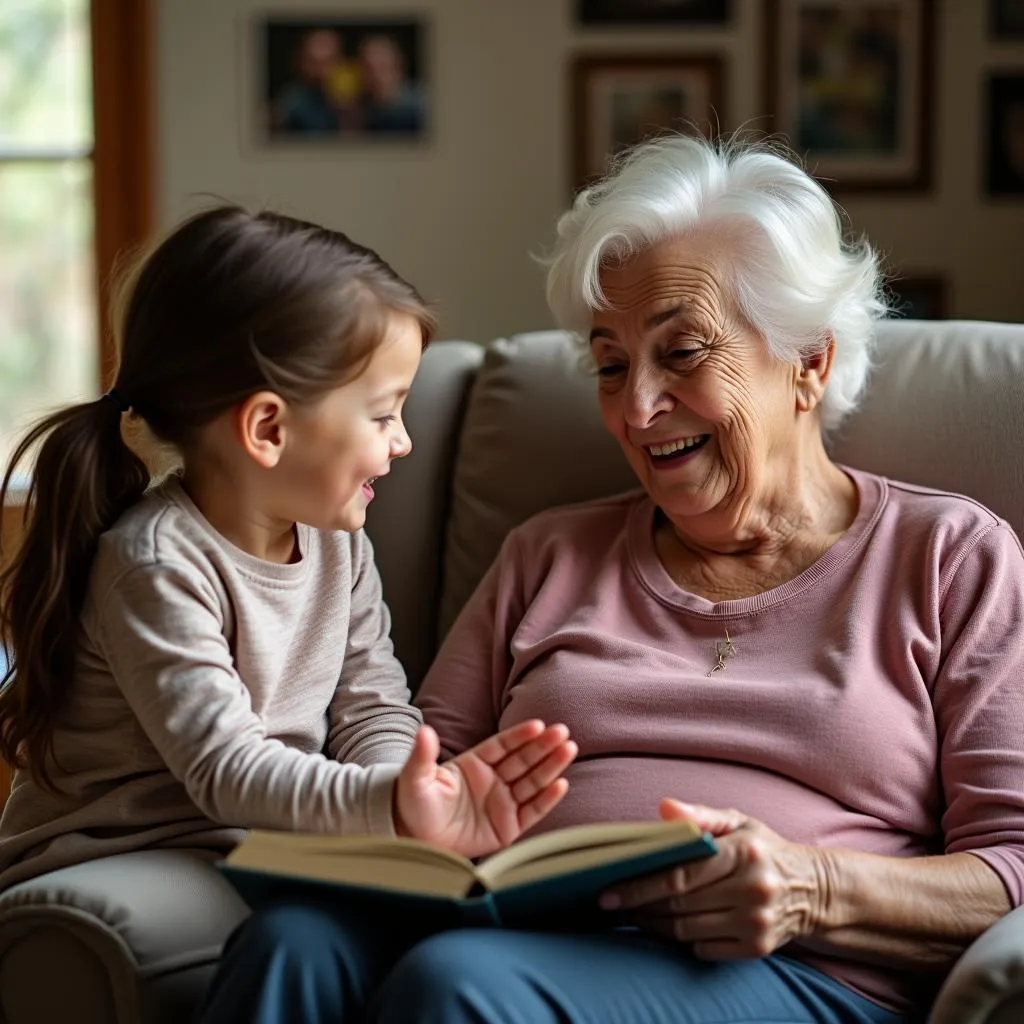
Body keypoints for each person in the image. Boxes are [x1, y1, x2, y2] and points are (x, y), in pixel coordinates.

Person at [202, 135, 1024, 1024]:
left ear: (810, 362)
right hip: (513, 927)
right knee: (291, 941)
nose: (636, 408)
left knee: (457, 985)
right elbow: (424, 773)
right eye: (609, 363)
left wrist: (811, 886)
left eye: (681, 354)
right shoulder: (547, 554)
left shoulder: (948, 557)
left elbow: (1009, 869)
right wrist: (424, 819)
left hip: (789, 973)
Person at [0, 206, 577, 896]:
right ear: (268, 428)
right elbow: (228, 768)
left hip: (252, 840)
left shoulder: (339, 545)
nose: (403, 442)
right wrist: (390, 809)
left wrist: (408, 793)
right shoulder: (155, 565)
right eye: (384, 414)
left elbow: (373, 707)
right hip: (123, 851)